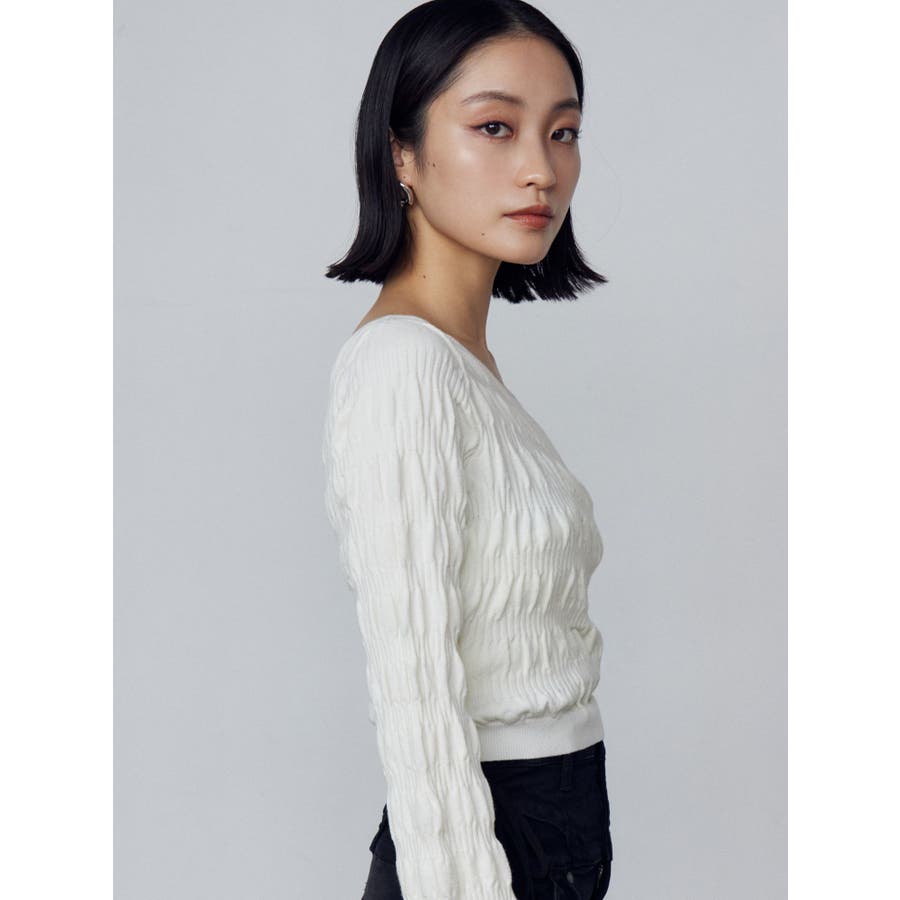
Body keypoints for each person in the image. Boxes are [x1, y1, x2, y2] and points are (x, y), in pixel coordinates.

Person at [321, 2, 613, 897]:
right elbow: (414, 690)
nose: (541, 169)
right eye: (495, 127)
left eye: (563, 132)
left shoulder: (463, 364)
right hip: (481, 842)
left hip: (551, 822)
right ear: (401, 155)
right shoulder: (402, 366)